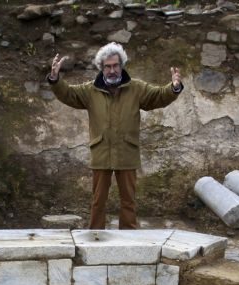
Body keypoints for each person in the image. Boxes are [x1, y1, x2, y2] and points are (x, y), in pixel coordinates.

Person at [47, 42, 183, 230]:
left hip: (127, 152)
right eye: (108, 66)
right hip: (101, 152)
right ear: (101, 68)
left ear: (122, 65)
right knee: (98, 201)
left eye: (115, 65)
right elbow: (68, 94)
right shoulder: (89, 90)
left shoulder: (136, 88)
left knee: (128, 201)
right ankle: (95, 236)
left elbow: (158, 96)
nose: (112, 70)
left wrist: (174, 87)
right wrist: (55, 79)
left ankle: (128, 236)